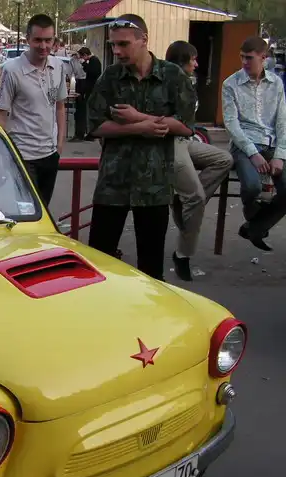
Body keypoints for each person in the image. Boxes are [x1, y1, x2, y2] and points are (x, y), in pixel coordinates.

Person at [86, 14, 195, 281]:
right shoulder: (110, 77)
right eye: (113, 45)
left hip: (154, 186)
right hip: (113, 184)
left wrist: (139, 118)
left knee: (151, 268)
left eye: (123, 44)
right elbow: (95, 126)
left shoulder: (172, 76)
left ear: (143, 40)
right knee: (99, 264)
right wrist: (139, 128)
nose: (117, 51)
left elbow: (186, 125)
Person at [165, 41, 233, 280]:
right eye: (193, 59)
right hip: (171, 141)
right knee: (195, 198)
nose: (196, 64)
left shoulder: (188, 82)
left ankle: (183, 201)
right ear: (181, 60)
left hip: (187, 139)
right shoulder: (167, 81)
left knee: (224, 159)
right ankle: (183, 255)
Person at [0, 14, 68, 207]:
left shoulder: (58, 66)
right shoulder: (11, 70)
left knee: (44, 207)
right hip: (23, 155)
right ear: (27, 39)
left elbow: (60, 106)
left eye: (48, 40)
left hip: (50, 154)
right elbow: (1, 114)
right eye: (38, 40)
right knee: (27, 211)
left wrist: (60, 143)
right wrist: (1, 155)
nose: (43, 46)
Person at [222, 35, 286, 251]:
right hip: (244, 144)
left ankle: (255, 227)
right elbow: (231, 124)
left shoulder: (276, 83)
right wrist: (253, 153)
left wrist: (280, 155)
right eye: (242, 57)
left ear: (263, 58)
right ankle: (254, 219)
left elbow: (282, 121)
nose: (244, 62)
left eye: (249, 58)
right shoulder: (230, 84)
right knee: (252, 187)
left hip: (271, 143)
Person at [72, 46, 101, 140]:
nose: (82, 59)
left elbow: (92, 72)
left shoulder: (94, 60)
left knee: (87, 111)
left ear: (85, 55)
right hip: (90, 88)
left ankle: (90, 133)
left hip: (92, 88)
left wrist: (84, 63)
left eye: (82, 57)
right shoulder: (92, 60)